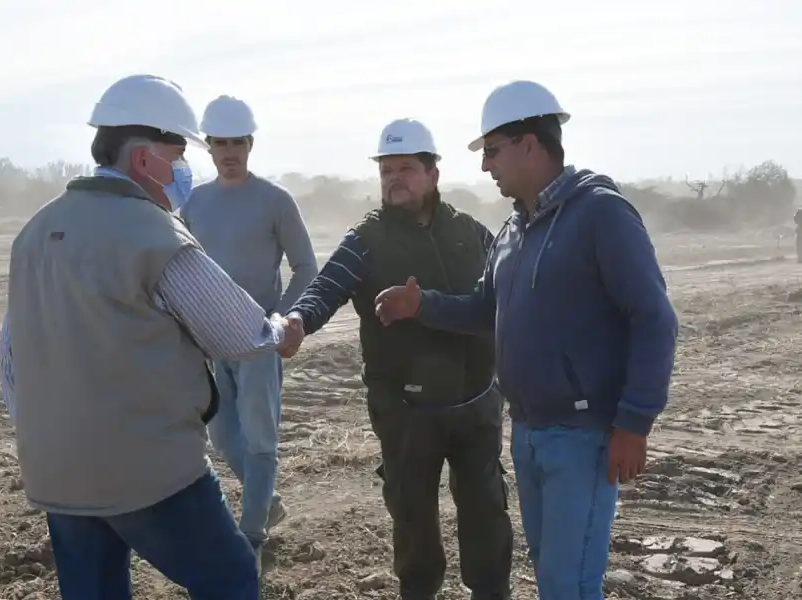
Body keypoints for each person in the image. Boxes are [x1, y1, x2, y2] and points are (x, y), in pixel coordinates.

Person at [0, 74, 303, 600]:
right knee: (229, 577)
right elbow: (239, 332)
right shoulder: (152, 232)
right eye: (178, 153)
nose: (184, 168)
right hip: (147, 470)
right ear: (145, 160)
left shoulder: (35, 232)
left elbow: (8, 360)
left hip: (56, 472)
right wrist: (281, 328)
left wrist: (48, 435)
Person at [374, 81, 679, 600]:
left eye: (492, 151)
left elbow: (654, 319)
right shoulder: (514, 231)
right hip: (529, 432)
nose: (487, 166)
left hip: (582, 436)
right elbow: (482, 309)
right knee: (551, 578)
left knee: (568, 586)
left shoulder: (600, 214)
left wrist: (634, 422)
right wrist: (421, 304)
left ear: (530, 145)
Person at [280, 118, 514, 600]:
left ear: (433, 173)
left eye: (406, 168)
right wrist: (299, 319)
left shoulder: (472, 233)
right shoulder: (367, 239)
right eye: (386, 170)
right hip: (405, 414)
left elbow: (507, 296)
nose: (394, 179)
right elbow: (327, 287)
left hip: (476, 406)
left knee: (487, 517)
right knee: (413, 525)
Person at [180, 94, 318, 560]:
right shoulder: (194, 203)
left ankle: (252, 536)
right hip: (211, 342)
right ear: (209, 148)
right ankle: (269, 503)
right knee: (222, 437)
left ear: (251, 144)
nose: (229, 152)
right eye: (220, 143)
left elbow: (305, 268)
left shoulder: (275, 201)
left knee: (260, 441)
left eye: (237, 142)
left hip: (259, 342)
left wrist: (278, 319)